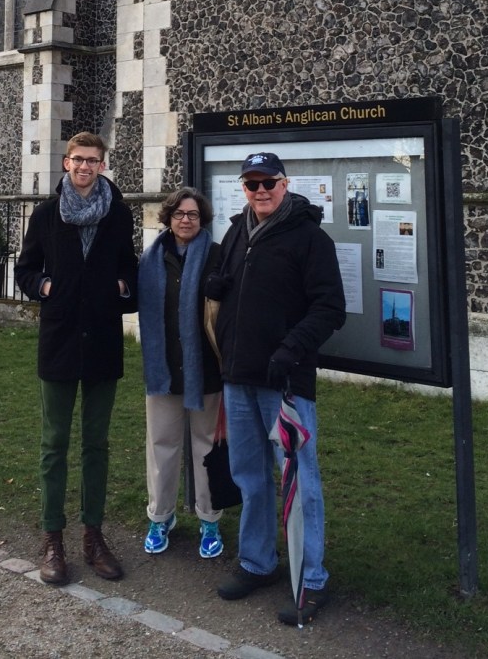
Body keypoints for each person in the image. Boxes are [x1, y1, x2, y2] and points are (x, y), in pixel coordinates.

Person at [206, 151, 346, 625]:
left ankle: (311, 579)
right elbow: (226, 288)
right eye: (252, 184)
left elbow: (329, 308)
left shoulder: (310, 238)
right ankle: (258, 562)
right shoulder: (235, 232)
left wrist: (291, 349)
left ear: (284, 185)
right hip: (239, 377)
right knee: (250, 476)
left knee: (299, 478)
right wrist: (219, 285)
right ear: (243, 188)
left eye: (268, 183)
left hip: (285, 380)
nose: (260, 191)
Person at [14, 132, 138, 587]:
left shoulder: (118, 214)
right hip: (61, 340)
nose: (84, 167)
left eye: (92, 160)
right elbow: (25, 269)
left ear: (103, 165)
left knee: (97, 444)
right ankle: (52, 539)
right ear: (66, 164)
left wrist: (121, 289)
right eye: (77, 160)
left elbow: (129, 267)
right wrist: (47, 289)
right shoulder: (47, 215)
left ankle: (93, 535)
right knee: (54, 444)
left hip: (103, 338)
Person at [138, 187, 224, 560]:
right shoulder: (152, 258)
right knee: (161, 444)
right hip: (164, 368)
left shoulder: (218, 257)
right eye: (179, 214)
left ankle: (209, 519)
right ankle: (161, 516)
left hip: (206, 368)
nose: (186, 220)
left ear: (202, 219)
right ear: (168, 218)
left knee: (206, 446)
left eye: (192, 214)